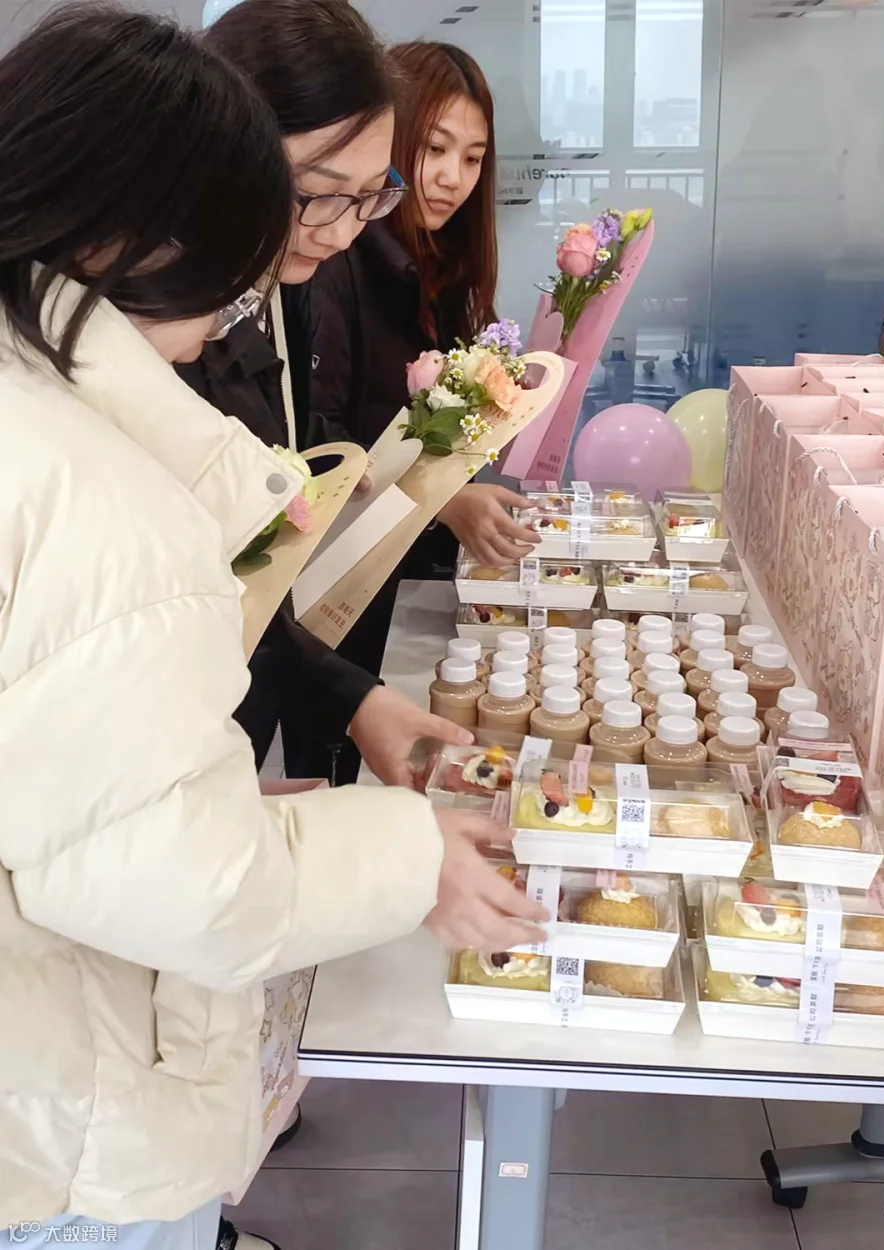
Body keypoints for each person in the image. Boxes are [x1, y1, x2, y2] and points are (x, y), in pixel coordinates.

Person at [0, 5, 546, 1241]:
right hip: (61, 1124)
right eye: (304, 202)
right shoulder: (95, 483)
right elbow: (162, 875)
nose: (317, 241)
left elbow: (74, 782)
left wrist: (238, 797)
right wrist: (409, 854)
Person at [179, 0, 468, 785]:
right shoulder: (171, 328)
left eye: (371, 195)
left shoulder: (300, 278)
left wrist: (355, 699)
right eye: (320, 193)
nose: (344, 231)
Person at [301, 41, 535, 778]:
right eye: (434, 148)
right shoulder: (336, 259)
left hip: (400, 573)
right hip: (334, 588)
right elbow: (320, 441)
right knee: (338, 774)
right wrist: (445, 501)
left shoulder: (445, 268)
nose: (452, 177)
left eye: (472, 158)